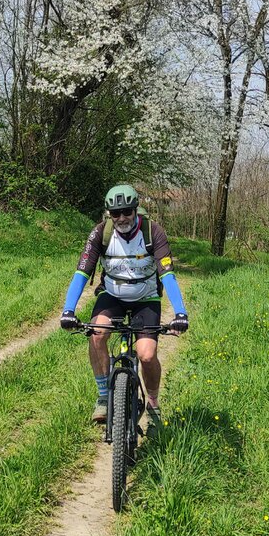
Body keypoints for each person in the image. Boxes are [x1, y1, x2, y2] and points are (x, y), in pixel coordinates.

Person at [59, 182, 188, 426]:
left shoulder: (153, 232)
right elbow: (82, 272)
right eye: (115, 214)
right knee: (97, 334)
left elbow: (167, 274)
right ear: (109, 214)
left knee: (147, 355)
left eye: (127, 212)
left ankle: (153, 404)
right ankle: (103, 395)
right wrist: (68, 310)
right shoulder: (101, 233)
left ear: (136, 210)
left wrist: (181, 313)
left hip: (146, 297)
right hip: (112, 294)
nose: (121, 218)